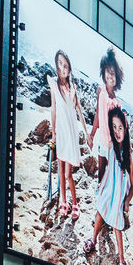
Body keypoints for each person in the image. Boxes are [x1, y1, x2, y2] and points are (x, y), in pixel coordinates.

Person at [84, 107, 133, 265]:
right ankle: (93, 238)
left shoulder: (127, 154)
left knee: (117, 226)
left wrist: (127, 202)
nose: (117, 131)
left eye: (120, 127)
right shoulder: (110, 148)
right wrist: (101, 186)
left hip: (120, 197)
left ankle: (122, 262)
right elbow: (104, 168)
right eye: (113, 127)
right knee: (100, 213)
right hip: (108, 192)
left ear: (125, 127)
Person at [48, 49, 86, 221]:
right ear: (57, 68)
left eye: (65, 64)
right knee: (60, 170)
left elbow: (79, 111)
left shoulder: (72, 88)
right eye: (60, 64)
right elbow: (53, 108)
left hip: (70, 134)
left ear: (69, 67)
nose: (63, 67)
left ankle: (75, 203)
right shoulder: (54, 85)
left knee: (68, 173)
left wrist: (87, 133)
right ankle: (64, 202)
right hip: (61, 133)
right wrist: (53, 132)